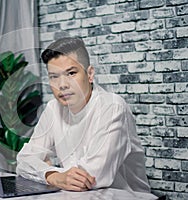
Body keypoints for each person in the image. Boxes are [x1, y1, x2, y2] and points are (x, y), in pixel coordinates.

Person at [16, 37, 151, 193]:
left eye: (71, 73)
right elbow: (24, 160)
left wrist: (45, 170)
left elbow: (91, 178)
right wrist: (52, 175)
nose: (62, 85)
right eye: (54, 77)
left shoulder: (112, 108)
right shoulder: (53, 108)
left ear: (90, 74)